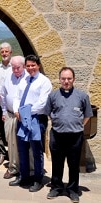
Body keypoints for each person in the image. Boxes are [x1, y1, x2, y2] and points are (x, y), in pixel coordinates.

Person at [44, 67, 93, 203]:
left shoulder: (82, 96)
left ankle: (72, 190)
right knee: (57, 164)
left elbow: (88, 115)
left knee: (74, 164)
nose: (66, 81)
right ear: (59, 79)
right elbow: (48, 112)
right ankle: (56, 187)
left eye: (69, 78)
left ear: (73, 79)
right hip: (57, 135)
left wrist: (78, 125)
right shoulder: (53, 96)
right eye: (64, 79)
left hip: (75, 136)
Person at [10, 55, 52, 192]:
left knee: (36, 150)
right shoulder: (24, 80)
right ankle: (24, 176)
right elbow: (17, 97)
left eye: (33, 65)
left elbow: (42, 103)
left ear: (38, 65)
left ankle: (38, 179)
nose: (30, 68)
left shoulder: (44, 82)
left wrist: (25, 112)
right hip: (22, 118)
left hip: (36, 119)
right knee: (22, 149)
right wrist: (17, 110)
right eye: (28, 66)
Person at [0, 56, 29, 179]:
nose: (15, 70)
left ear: (23, 66)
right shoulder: (8, 76)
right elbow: (3, 94)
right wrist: (3, 111)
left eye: (18, 68)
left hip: (25, 115)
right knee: (11, 143)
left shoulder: (29, 77)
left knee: (26, 143)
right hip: (10, 114)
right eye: (13, 67)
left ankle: (28, 168)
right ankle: (13, 167)